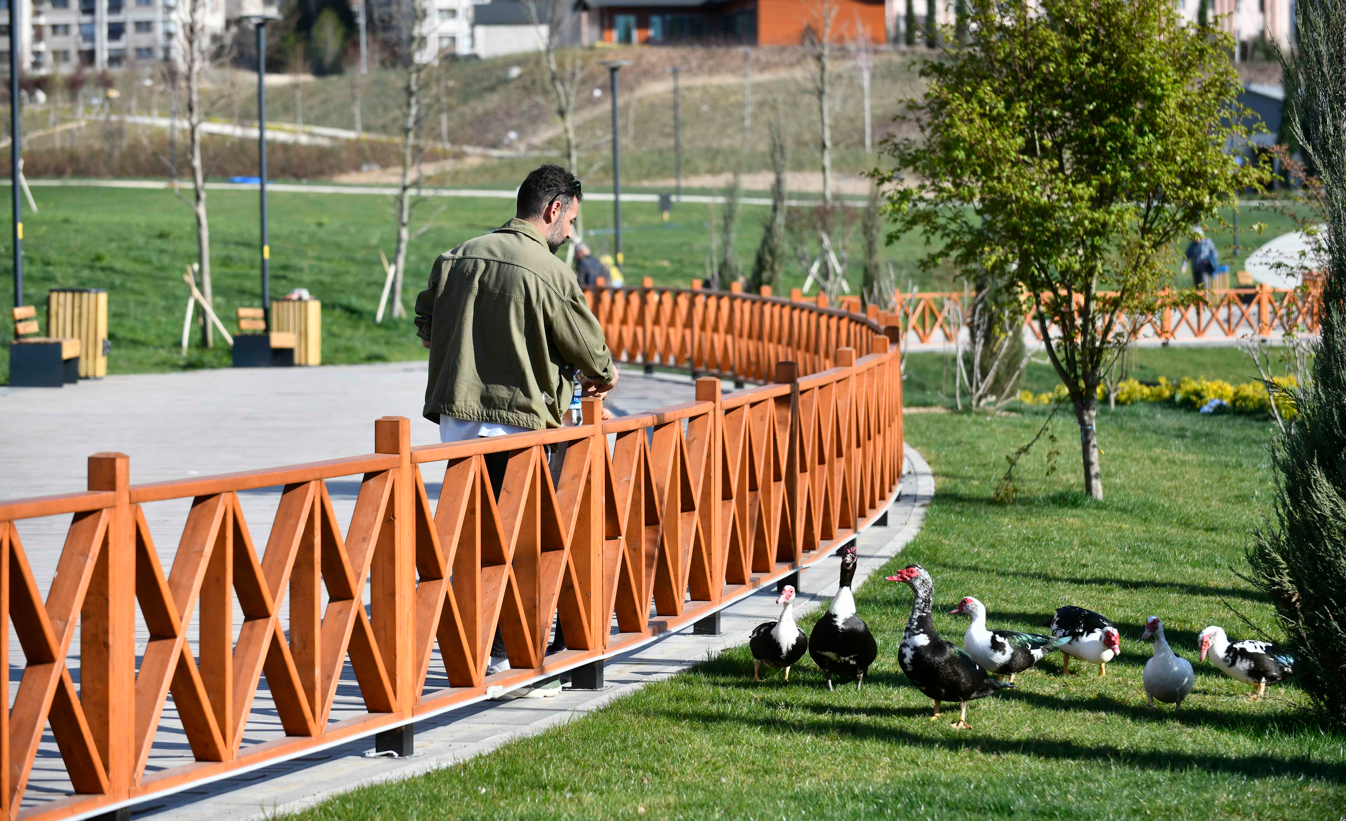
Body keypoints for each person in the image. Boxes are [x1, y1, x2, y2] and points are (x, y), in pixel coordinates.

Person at [415, 164, 618, 680]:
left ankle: (473, 646)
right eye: (570, 220)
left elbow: (426, 323)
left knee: (473, 540)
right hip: (519, 428)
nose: (570, 233)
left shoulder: (456, 257)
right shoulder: (547, 271)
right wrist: (600, 377)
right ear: (553, 210)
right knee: (524, 544)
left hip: (457, 427)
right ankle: (512, 654)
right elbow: (592, 351)